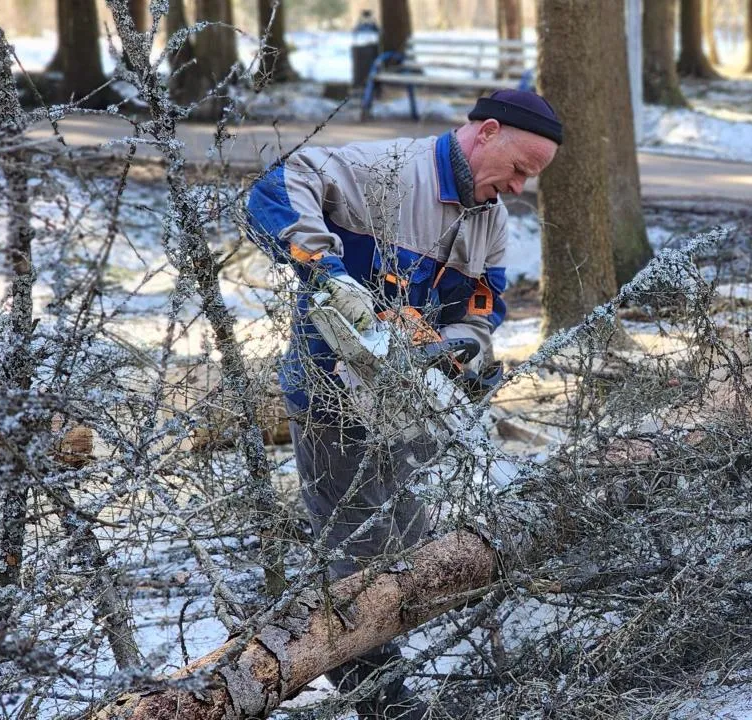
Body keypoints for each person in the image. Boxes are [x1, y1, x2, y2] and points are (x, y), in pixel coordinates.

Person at [242, 89, 562, 719]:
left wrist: (465, 343)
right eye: (520, 167)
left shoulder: (489, 217)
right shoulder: (385, 172)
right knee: (358, 561)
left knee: (416, 547)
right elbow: (272, 191)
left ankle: (432, 661)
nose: (520, 187)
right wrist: (326, 271)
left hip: (415, 406)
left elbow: (484, 301)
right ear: (486, 132)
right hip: (334, 395)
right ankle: (381, 702)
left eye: (530, 176)